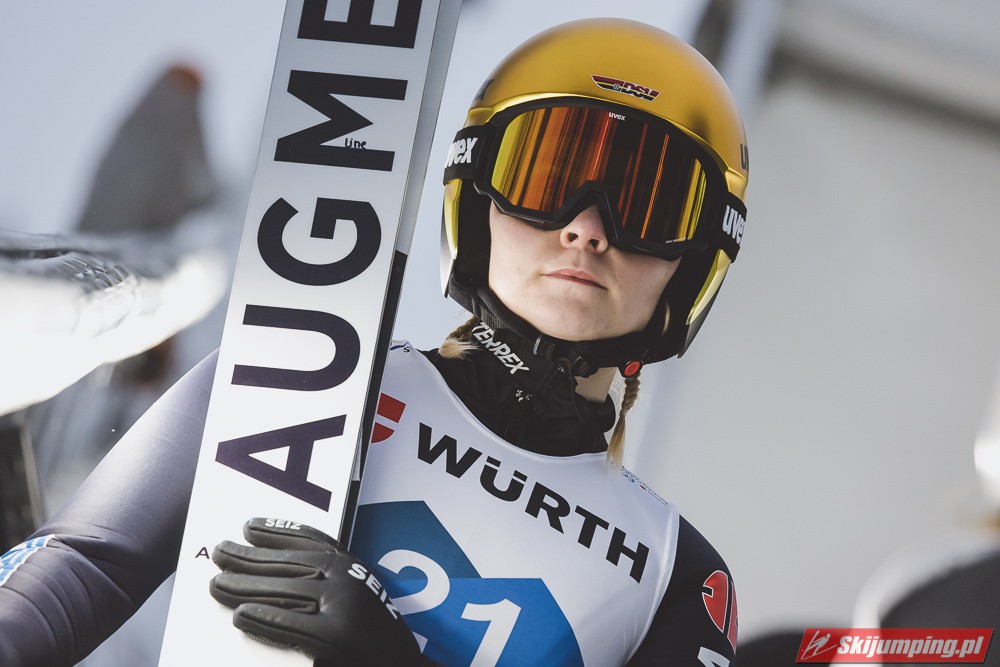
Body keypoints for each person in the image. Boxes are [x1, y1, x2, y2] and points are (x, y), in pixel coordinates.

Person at [0, 17, 749, 666]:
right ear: (477, 196)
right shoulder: (294, 368)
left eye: (649, 204)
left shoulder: (679, 578)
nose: (586, 228)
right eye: (546, 178)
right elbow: (78, 571)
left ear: (693, 262)